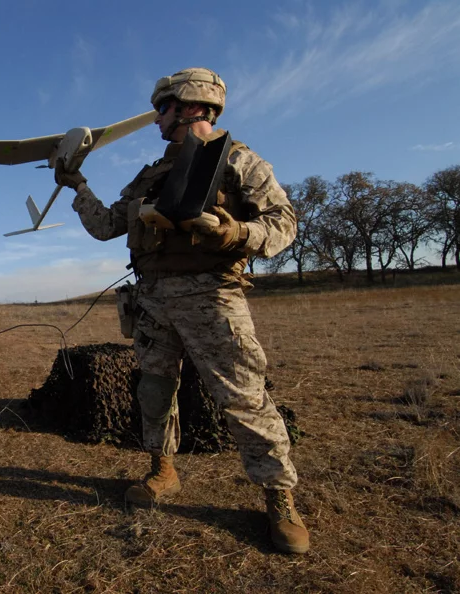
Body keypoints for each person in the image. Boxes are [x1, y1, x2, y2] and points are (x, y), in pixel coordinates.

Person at [55, 67, 309, 555]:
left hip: (213, 296)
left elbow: (284, 225)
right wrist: (76, 186)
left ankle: (280, 499)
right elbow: (108, 225)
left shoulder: (238, 160)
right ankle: (162, 470)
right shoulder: (151, 173)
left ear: (191, 105)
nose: (156, 120)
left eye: (162, 109)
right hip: (152, 297)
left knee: (244, 398)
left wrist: (233, 233)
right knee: (153, 388)